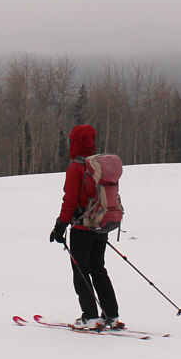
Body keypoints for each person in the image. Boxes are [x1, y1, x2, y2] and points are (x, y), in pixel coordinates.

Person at [49, 124, 121, 330]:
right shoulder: (98, 166)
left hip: (82, 229)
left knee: (80, 271)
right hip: (101, 226)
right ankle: (111, 315)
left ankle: (90, 317)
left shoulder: (76, 168)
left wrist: (60, 226)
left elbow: (70, 201)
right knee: (98, 269)